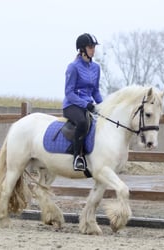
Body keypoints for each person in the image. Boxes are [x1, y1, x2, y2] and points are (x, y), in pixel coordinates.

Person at [62, 33, 103, 171]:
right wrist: (86, 104)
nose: (93, 49)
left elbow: (95, 91)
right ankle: (78, 157)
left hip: (89, 105)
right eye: (90, 47)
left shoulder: (96, 68)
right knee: (83, 122)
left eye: (94, 47)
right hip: (72, 105)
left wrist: (104, 106)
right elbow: (69, 93)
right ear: (82, 49)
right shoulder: (73, 67)